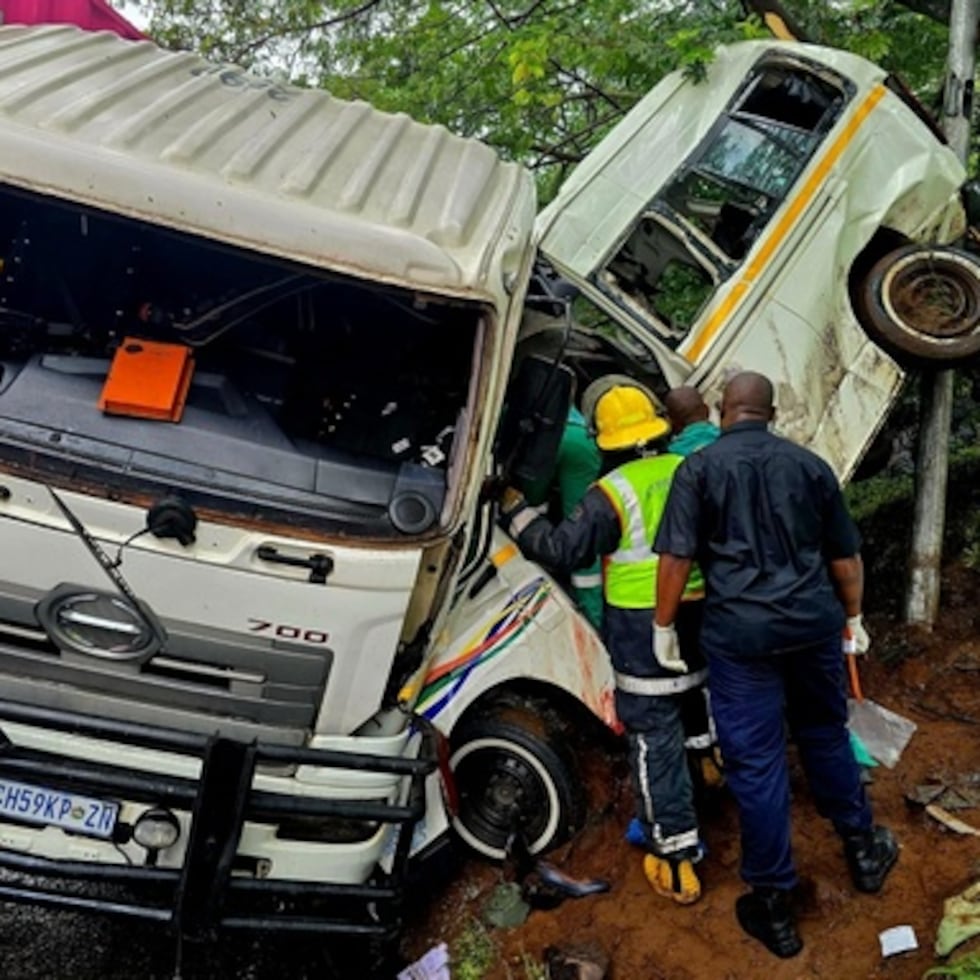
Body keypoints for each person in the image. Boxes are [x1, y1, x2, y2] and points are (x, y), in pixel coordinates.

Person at [653, 370, 898, 958]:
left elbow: (676, 558)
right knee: (823, 731)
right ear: (773, 411)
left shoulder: (698, 470)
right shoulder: (809, 467)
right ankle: (863, 849)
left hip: (740, 639)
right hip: (813, 627)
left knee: (757, 762)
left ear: (722, 410)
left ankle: (772, 904)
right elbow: (845, 555)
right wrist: (854, 618)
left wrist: (663, 628)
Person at [499, 383, 710, 905]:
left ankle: (675, 853)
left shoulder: (612, 493)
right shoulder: (692, 471)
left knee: (650, 729)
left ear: (604, 440)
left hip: (642, 627)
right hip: (701, 610)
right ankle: (705, 775)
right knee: (694, 700)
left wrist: (516, 510)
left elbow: (560, 548)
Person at [521, 403, 603, 630]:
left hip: (549, 437)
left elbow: (530, 495)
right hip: (577, 436)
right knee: (585, 537)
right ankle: (595, 619)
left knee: (527, 509)